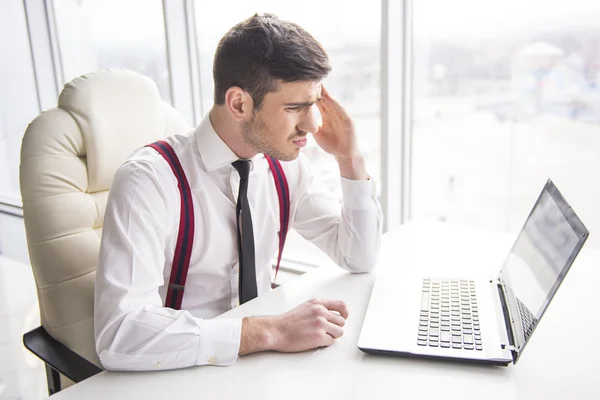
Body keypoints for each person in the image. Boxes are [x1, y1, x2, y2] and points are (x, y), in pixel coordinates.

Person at [94, 13, 382, 371]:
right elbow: (120, 334)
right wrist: (269, 332)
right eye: (295, 108)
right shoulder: (149, 181)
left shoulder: (285, 167)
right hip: (175, 372)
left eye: (315, 104)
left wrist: (349, 159)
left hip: (261, 369)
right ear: (239, 104)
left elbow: (359, 256)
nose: (312, 125)